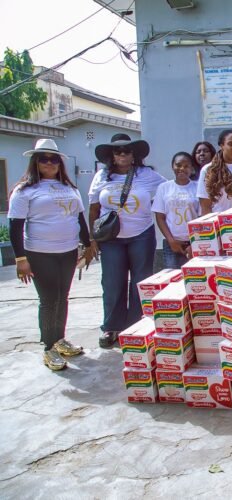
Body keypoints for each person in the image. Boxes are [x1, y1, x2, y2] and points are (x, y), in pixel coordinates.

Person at [8, 139, 96, 370]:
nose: (49, 163)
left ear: (60, 163)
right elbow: (15, 226)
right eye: (43, 159)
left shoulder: (70, 188)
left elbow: (79, 219)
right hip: (39, 253)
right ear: (35, 162)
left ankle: (59, 339)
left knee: (62, 297)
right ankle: (48, 348)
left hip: (67, 252)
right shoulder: (24, 190)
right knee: (48, 301)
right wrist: (20, 259)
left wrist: (88, 245)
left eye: (53, 159)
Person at [89, 134, 166, 348]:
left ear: (134, 155)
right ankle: (111, 327)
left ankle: (135, 326)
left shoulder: (147, 174)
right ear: (111, 156)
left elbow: (170, 189)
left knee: (140, 281)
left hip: (141, 234)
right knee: (112, 282)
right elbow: (94, 208)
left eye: (126, 150)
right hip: (111, 238)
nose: (122, 154)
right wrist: (92, 239)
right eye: (117, 151)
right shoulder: (101, 176)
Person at [152, 152, 199, 269]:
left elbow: (201, 218)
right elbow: (160, 217)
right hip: (172, 243)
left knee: (194, 278)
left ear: (192, 168)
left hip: (194, 243)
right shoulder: (164, 188)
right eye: (178, 165)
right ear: (172, 166)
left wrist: (195, 242)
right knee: (173, 280)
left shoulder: (197, 187)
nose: (182, 168)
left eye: (186, 166)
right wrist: (171, 241)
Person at [197, 130, 232, 215]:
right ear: (221, 146)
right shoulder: (208, 170)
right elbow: (205, 207)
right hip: (219, 224)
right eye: (231, 144)